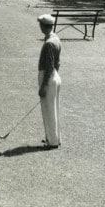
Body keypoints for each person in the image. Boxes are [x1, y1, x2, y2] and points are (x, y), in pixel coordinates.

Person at [37, 14, 62, 148]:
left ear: (43, 26)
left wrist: (44, 86)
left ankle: (52, 141)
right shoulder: (56, 39)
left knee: (49, 110)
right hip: (56, 76)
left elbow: (49, 66)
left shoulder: (48, 44)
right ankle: (54, 137)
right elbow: (57, 63)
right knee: (55, 108)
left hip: (50, 77)